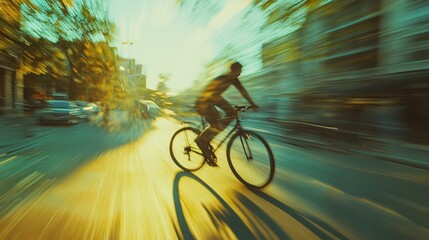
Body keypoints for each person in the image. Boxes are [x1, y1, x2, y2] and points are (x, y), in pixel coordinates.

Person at [195, 61, 259, 166]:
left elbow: (243, 91)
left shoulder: (234, 80)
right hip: (204, 100)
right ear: (232, 71)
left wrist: (252, 103)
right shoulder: (222, 78)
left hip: (215, 98)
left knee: (231, 113)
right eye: (238, 71)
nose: (240, 74)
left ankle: (210, 136)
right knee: (216, 124)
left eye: (240, 72)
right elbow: (208, 92)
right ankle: (201, 141)